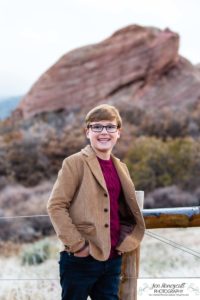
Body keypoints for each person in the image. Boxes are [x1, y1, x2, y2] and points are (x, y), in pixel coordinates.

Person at [47, 104, 145, 300]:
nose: (104, 133)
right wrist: (79, 247)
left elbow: (122, 209)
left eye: (110, 127)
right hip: (80, 260)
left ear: (118, 132)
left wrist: (122, 241)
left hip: (112, 260)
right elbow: (56, 206)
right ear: (87, 132)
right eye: (97, 127)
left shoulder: (121, 167)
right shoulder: (74, 163)